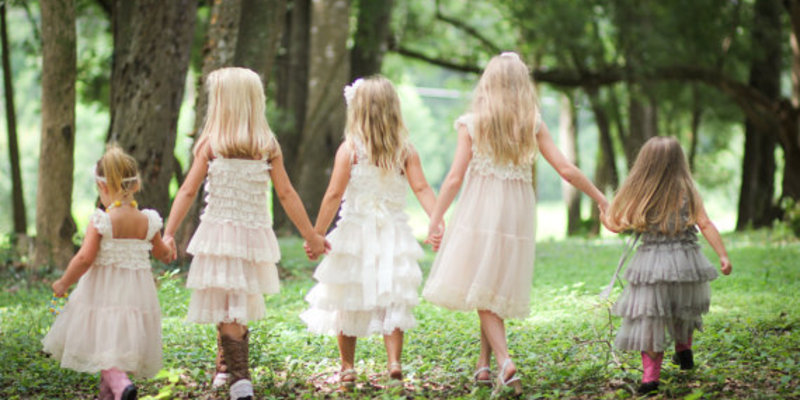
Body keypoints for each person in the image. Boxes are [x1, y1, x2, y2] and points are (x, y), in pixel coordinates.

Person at [422, 52, 609, 394]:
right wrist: (600, 198)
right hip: (517, 211)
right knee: (489, 283)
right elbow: (566, 169)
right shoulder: (531, 124)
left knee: (483, 285)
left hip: (480, 209)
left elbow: (453, 179)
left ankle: (505, 362)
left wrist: (435, 219)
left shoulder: (472, 124)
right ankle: (483, 366)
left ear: (488, 84)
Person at [162, 67, 328, 400]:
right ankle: (228, 368)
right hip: (245, 237)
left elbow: (188, 191)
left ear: (222, 104)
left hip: (223, 235)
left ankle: (238, 377)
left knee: (231, 302)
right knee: (230, 301)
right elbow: (286, 194)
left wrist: (169, 232)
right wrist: (311, 236)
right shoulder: (263, 145)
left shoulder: (216, 145)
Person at [299, 76, 439, 389]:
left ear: (357, 111)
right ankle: (394, 363)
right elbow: (421, 188)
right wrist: (437, 221)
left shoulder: (349, 149)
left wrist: (317, 235)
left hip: (354, 233)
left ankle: (347, 368)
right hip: (393, 233)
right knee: (393, 296)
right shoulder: (405, 150)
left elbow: (334, 194)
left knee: (346, 295)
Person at [601, 136, 732, 395]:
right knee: (683, 306)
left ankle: (651, 378)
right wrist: (723, 255)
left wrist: (604, 217)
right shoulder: (688, 190)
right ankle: (684, 351)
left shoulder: (641, 192)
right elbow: (705, 223)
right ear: (679, 162)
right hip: (686, 262)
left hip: (652, 265)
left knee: (650, 317)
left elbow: (617, 225)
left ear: (644, 163)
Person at [42, 144, 172, 400]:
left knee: (105, 351)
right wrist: (169, 248)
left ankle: (121, 384)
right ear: (136, 184)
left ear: (102, 186)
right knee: (119, 350)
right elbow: (162, 253)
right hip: (136, 297)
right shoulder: (148, 220)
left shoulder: (102, 220)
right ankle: (114, 392)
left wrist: (64, 282)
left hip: (103, 296)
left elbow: (84, 258)